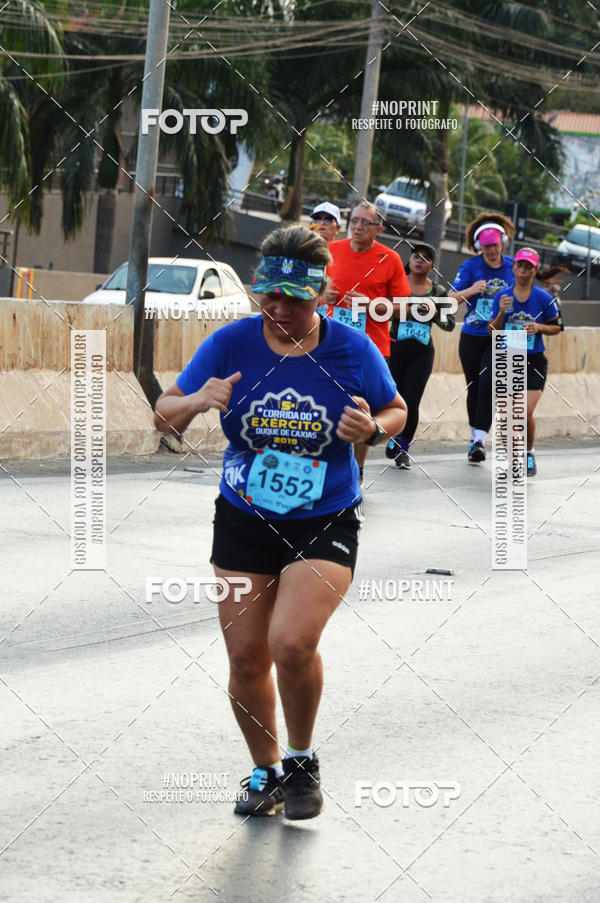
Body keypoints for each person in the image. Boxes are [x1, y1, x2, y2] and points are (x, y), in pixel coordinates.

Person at [154, 225, 407, 820]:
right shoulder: (230, 343)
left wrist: (374, 430)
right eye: (270, 296)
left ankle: (301, 760)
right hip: (244, 516)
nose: (281, 309)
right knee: (246, 659)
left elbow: (396, 409)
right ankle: (265, 770)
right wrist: (196, 401)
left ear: (321, 295)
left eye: (296, 299)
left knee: (291, 642)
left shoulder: (351, 350)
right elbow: (165, 414)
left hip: (324, 516)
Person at [326, 201, 410, 479]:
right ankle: (328, 465)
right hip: (330, 344)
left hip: (371, 349)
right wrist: (321, 295)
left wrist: (371, 304)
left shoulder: (390, 259)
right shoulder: (332, 251)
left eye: (365, 222)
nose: (358, 226)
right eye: (354, 220)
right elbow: (311, 289)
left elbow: (403, 308)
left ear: (378, 228)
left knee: (364, 409)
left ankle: (357, 469)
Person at [488, 248, 561, 476]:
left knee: (522, 412)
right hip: (508, 359)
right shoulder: (502, 297)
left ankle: (528, 452)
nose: (522, 270)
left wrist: (539, 327)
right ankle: (514, 461)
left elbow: (558, 327)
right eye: (519, 265)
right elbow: (492, 331)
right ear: (513, 268)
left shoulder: (544, 298)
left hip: (533, 362)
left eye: (528, 267)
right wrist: (501, 313)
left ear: (534, 271)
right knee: (505, 415)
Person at [449, 212, 515, 464]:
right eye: (486, 247)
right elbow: (450, 298)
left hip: (501, 337)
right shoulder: (471, 267)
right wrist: (471, 290)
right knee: (474, 387)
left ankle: (480, 440)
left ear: (503, 243)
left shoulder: (513, 266)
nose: (491, 251)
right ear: (479, 246)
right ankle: (474, 436)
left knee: (489, 384)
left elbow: (528, 290)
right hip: (472, 335)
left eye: (495, 245)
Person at [385, 242, 455, 469]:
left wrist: (435, 314)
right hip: (395, 347)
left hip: (422, 352)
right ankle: (393, 435)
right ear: (410, 260)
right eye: (416, 256)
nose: (419, 261)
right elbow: (381, 311)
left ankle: (403, 448)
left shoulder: (439, 292)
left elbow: (449, 325)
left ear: (432, 266)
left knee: (412, 400)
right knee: (393, 397)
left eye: (425, 258)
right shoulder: (397, 285)